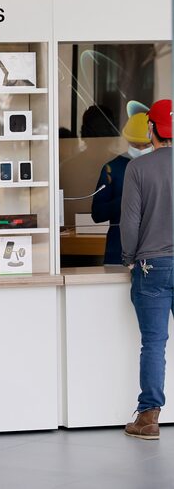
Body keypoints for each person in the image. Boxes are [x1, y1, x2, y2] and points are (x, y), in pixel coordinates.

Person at [120, 99, 173, 440]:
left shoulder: (138, 169)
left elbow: (130, 221)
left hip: (153, 265)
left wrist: (128, 258)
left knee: (154, 343)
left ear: (151, 129)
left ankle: (149, 418)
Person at [91, 112, 153, 265]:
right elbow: (97, 214)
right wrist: (126, 199)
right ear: (127, 141)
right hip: (117, 252)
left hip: (154, 252)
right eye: (135, 145)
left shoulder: (161, 166)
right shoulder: (112, 168)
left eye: (145, 145)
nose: (140, 149)